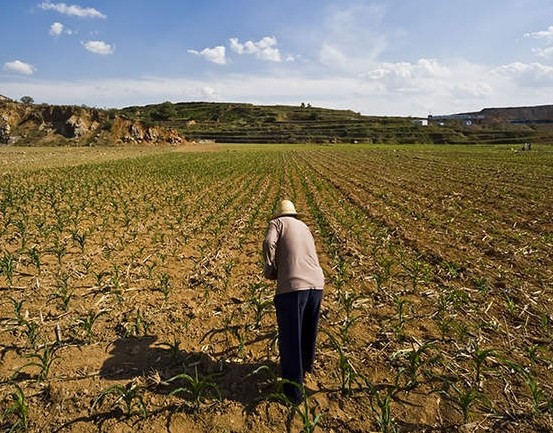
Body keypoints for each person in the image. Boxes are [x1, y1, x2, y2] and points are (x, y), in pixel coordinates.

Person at [263, 199, 324, 404]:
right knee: (307, 330)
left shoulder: (277, 224)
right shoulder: (304, 226)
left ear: (279, 215)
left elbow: (268, 242)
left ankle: (293, 393)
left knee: (290, 337)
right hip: (317, 284)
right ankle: (305, 369)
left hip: (292, 287)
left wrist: (270, 266)